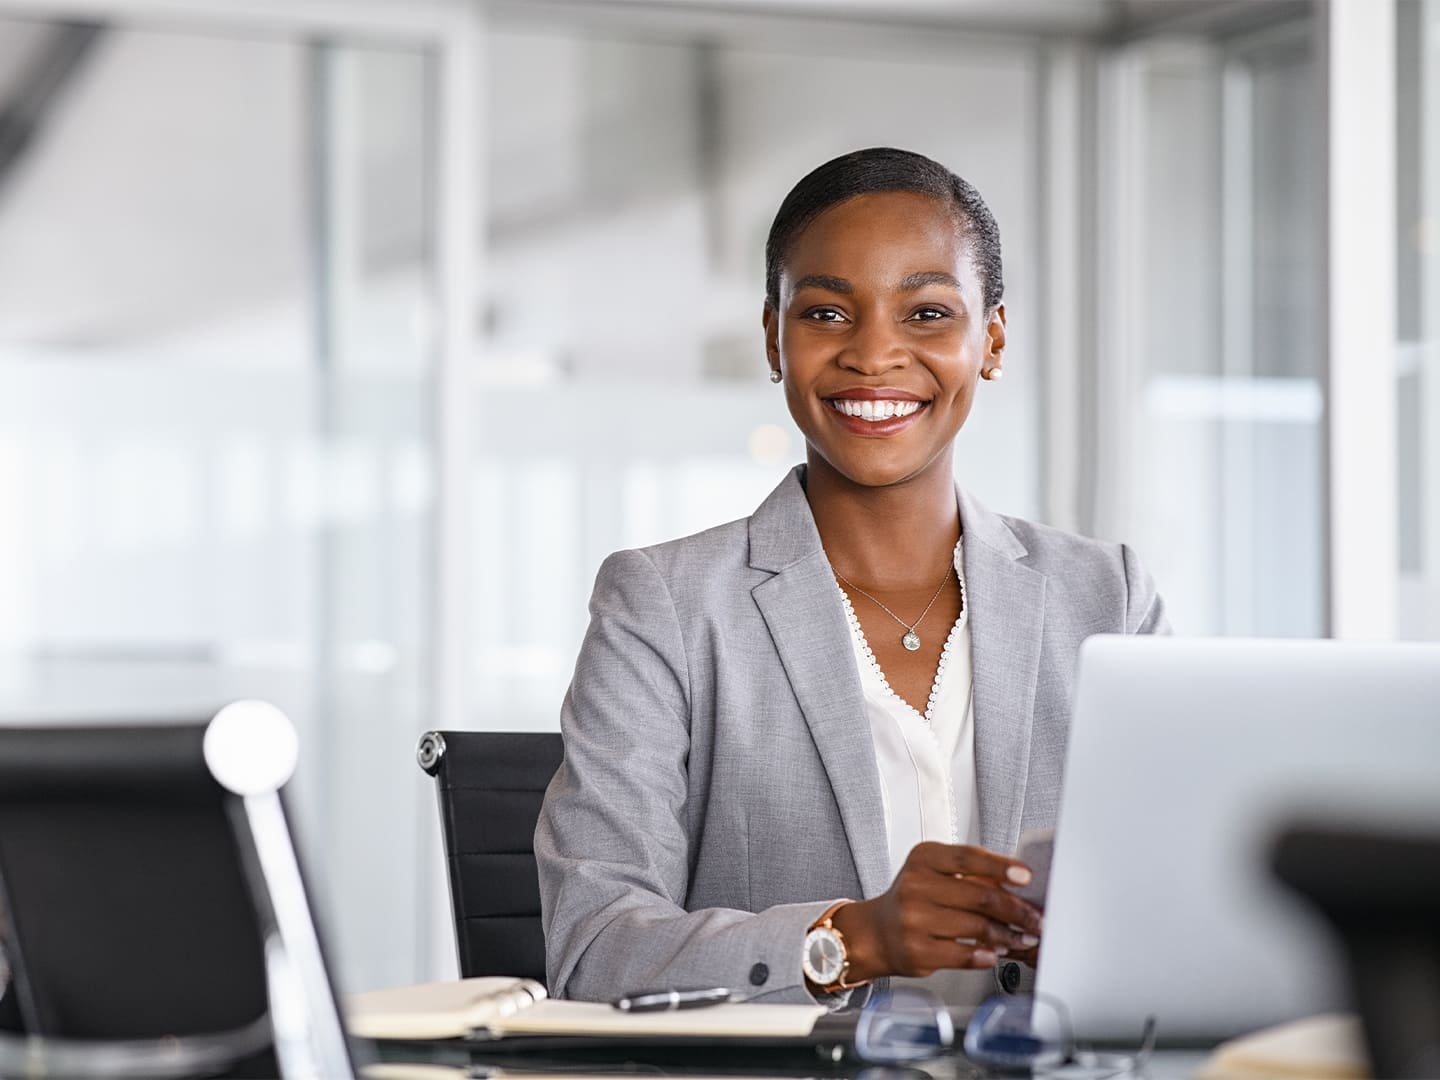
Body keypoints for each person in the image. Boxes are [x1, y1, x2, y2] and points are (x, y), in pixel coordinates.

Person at [534, 147, 1169, 1008]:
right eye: (828, 313)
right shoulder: (666, 607)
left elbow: (1181, 895)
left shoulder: (1108, 598)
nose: (874, 355)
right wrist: (853, 938)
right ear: (774, 339)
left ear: (992, 340)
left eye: (928, 313)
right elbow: (596, 947)